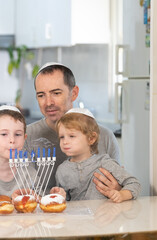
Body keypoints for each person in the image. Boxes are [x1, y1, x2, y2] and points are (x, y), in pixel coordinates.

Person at [23, 62, 121, 197]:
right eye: (41, 95)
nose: (48, 102)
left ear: (73, 93)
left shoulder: (104, 136)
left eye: (56, 93)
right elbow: (22, 189)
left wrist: (118, 188)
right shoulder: (25, 137)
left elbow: (119, 185)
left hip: (96, 215)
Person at [54, 108, 140, 202]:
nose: (65, 141)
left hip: (105, 215)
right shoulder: (62, 170)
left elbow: (134, 183)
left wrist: (122, 195)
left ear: (91, 138)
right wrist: (59, 196)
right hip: (77, 217)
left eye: (72, 136)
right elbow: (66, 203)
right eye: (62, 137)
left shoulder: (104, 163)